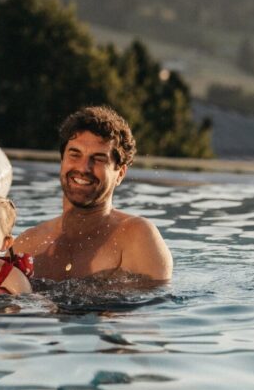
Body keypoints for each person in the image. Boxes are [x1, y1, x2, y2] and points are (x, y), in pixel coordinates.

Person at [14, 105, 172, 284]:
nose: (83, 168)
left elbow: (154, 308)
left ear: (120, 173)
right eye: (75, 154)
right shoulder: (27, 244)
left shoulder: (136, 238)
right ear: (62, 160)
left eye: (98, 159)